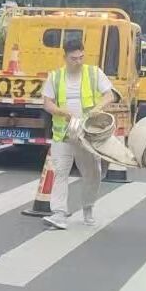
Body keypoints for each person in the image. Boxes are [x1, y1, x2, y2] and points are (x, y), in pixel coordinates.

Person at [40, 35, 116, 230]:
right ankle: (59, 213)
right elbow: (47, 103)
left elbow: (110, 95)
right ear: (65, 57)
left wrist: (97, 108)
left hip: (86, 135)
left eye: (81, 57)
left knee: (92, 174)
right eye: (74, 58)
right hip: (63, 135)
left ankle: (88, 207)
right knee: (60, 173)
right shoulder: (55, 77)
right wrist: (61, 112)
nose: (78, 61)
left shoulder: (93, 73)